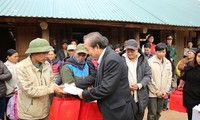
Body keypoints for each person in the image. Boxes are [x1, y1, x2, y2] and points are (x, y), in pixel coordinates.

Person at [75, 32, 137, 120]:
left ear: (96, 47)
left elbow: (106, 88)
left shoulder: (112, 59)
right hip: (113, 108)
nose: (87, 53)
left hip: (119, 111)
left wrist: (84, 94)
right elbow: (95, 76)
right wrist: (75, 85)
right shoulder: (105, 57)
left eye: (87, 49)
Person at [14, 38, 64, 120]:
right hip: (29, 114)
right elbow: (30, 90)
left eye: (47, 53)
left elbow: (51, 81)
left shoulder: (47, 64)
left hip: (45, 110)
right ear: (34, 53)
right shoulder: (21, 67)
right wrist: (52, 89)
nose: (47, 56)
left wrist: (58, 88)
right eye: (44, 53)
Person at [122, 39, 151, 120]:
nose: (130, 53)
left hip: (140, 96)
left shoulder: (143, 60)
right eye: (128, 50)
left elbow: (148, 75)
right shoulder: (121, 59)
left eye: (132, 51)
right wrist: (126, 86)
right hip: (125, 96)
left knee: (139, 116)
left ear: (137, 50)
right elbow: (116, 77)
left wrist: (139, 85)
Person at [147, 43, 172, 120]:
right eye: (159, 52)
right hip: (152, 93)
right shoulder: (149, 62)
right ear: (155, 51)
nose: (161, 54)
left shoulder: (168, 63)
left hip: (163, 92)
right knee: (152, 113)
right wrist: (156, 91)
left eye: (163, 52)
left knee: (158, 111)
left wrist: (165, 90)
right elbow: (149, 78)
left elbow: (169, 77)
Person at [182, 49, 200, 120]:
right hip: (189, 97)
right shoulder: (190, 66)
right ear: (196, 57)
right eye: (198, 56)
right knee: (191, 117)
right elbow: (184, 78)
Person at [4, 49, 19, 120]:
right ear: (8, 57)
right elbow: (4, 81)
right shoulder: (4, 66)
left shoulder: (19, 65)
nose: (17, 58)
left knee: (17, 110)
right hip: (9, 92)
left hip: (18, 91)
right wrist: (11, 89)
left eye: (17, 56)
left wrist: (17, 88)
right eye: (14, 57)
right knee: (9, 111)